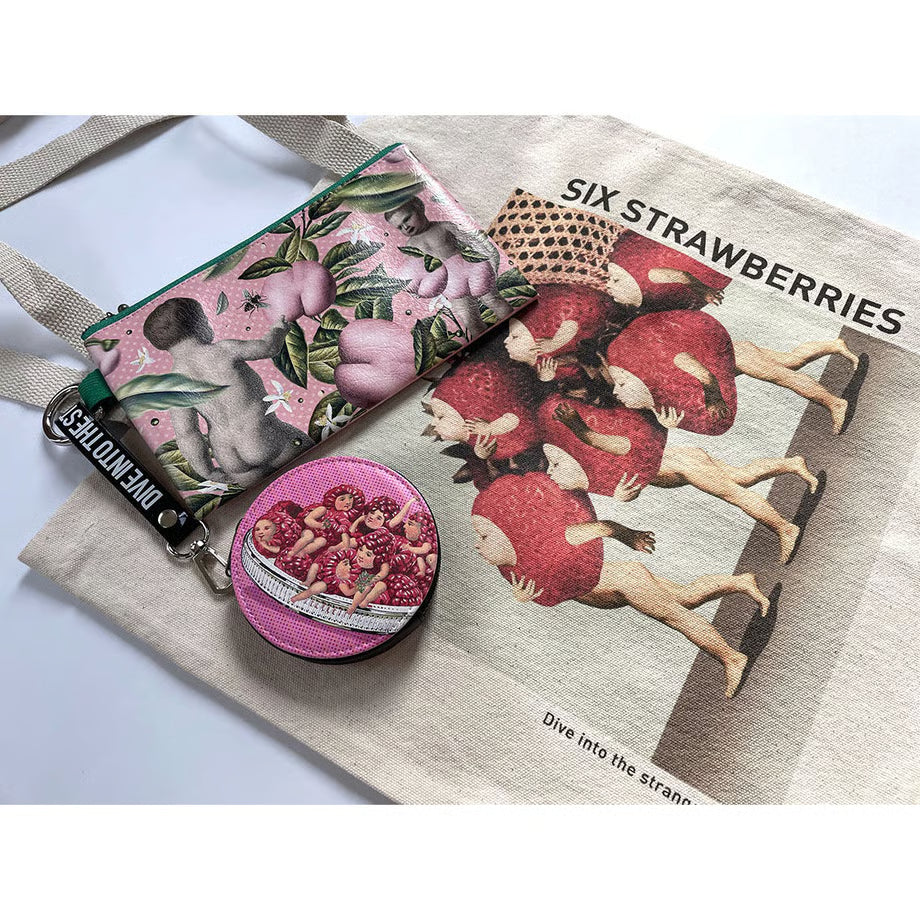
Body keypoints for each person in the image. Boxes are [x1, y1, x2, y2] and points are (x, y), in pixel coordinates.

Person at [142, 296, 309, 487]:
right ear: (195, 324)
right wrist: (278, 329)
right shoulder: (224, 350)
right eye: (205, 319)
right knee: (312, 462)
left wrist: (207, 471)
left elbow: (187, 434)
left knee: (266, 495)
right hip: (260, 437)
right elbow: (268, 348)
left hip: (228, 456)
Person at [385, 196, 512, 338]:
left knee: (494, 300)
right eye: (399, 227)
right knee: (469, 319)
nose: (405, 227)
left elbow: (471, 240)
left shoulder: (443, 226)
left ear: (419, 207)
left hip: (471, 270)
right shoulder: (410, 246)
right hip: (450, 285)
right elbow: (414, 271)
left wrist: (489, 258)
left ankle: (517, 326)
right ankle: (489, 343)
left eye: (407, 219)